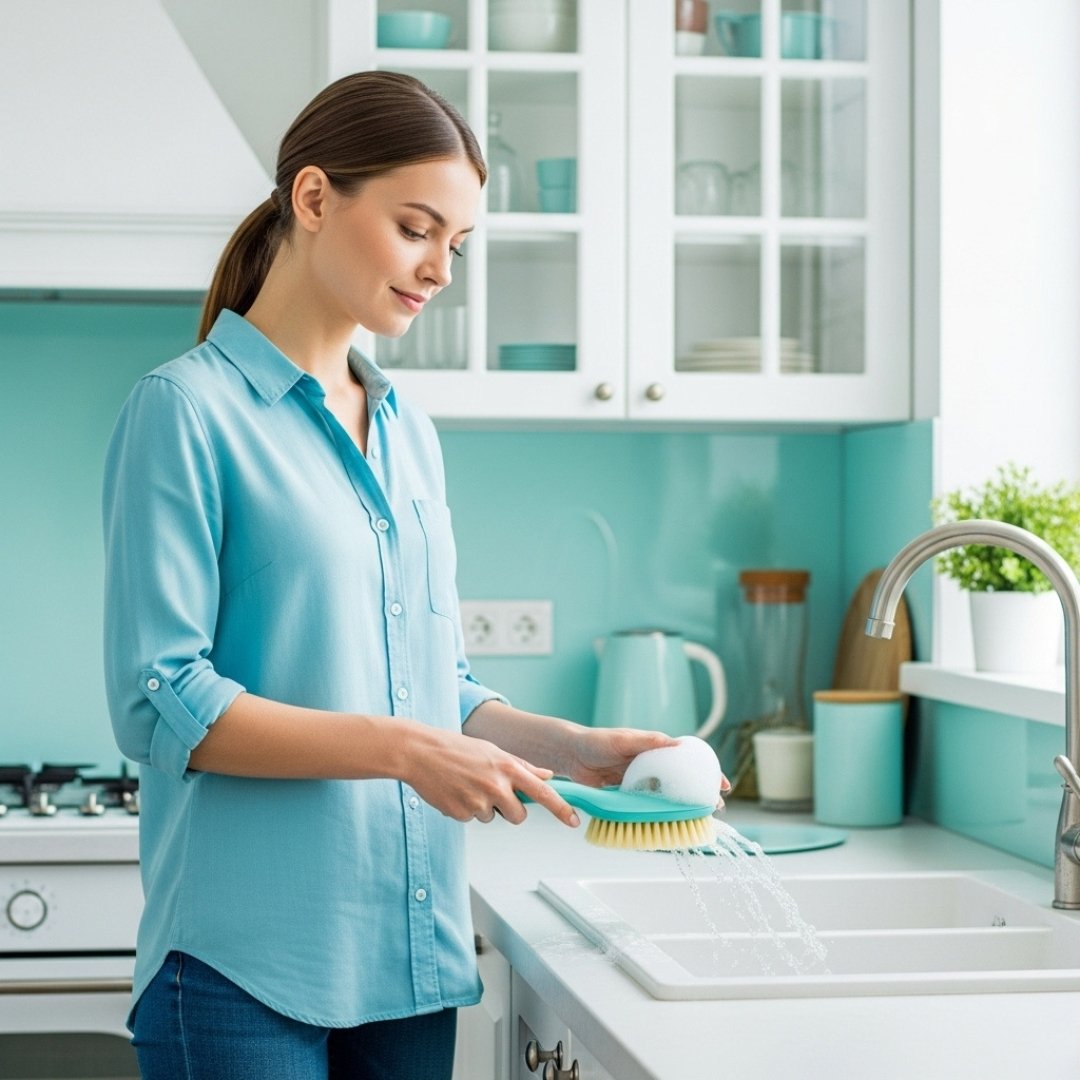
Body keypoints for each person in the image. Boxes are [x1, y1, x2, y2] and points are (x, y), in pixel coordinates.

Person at [102, 71, 725, 1080]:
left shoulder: (407, 430)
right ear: (313, 200)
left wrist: (577, 748)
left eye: (459, 246)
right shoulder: (185, 412)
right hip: (240, 970)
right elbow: (159, 699)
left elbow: (433, 680)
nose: (440, 268)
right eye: (416, 228)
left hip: (404, 962)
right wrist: (402, 751)